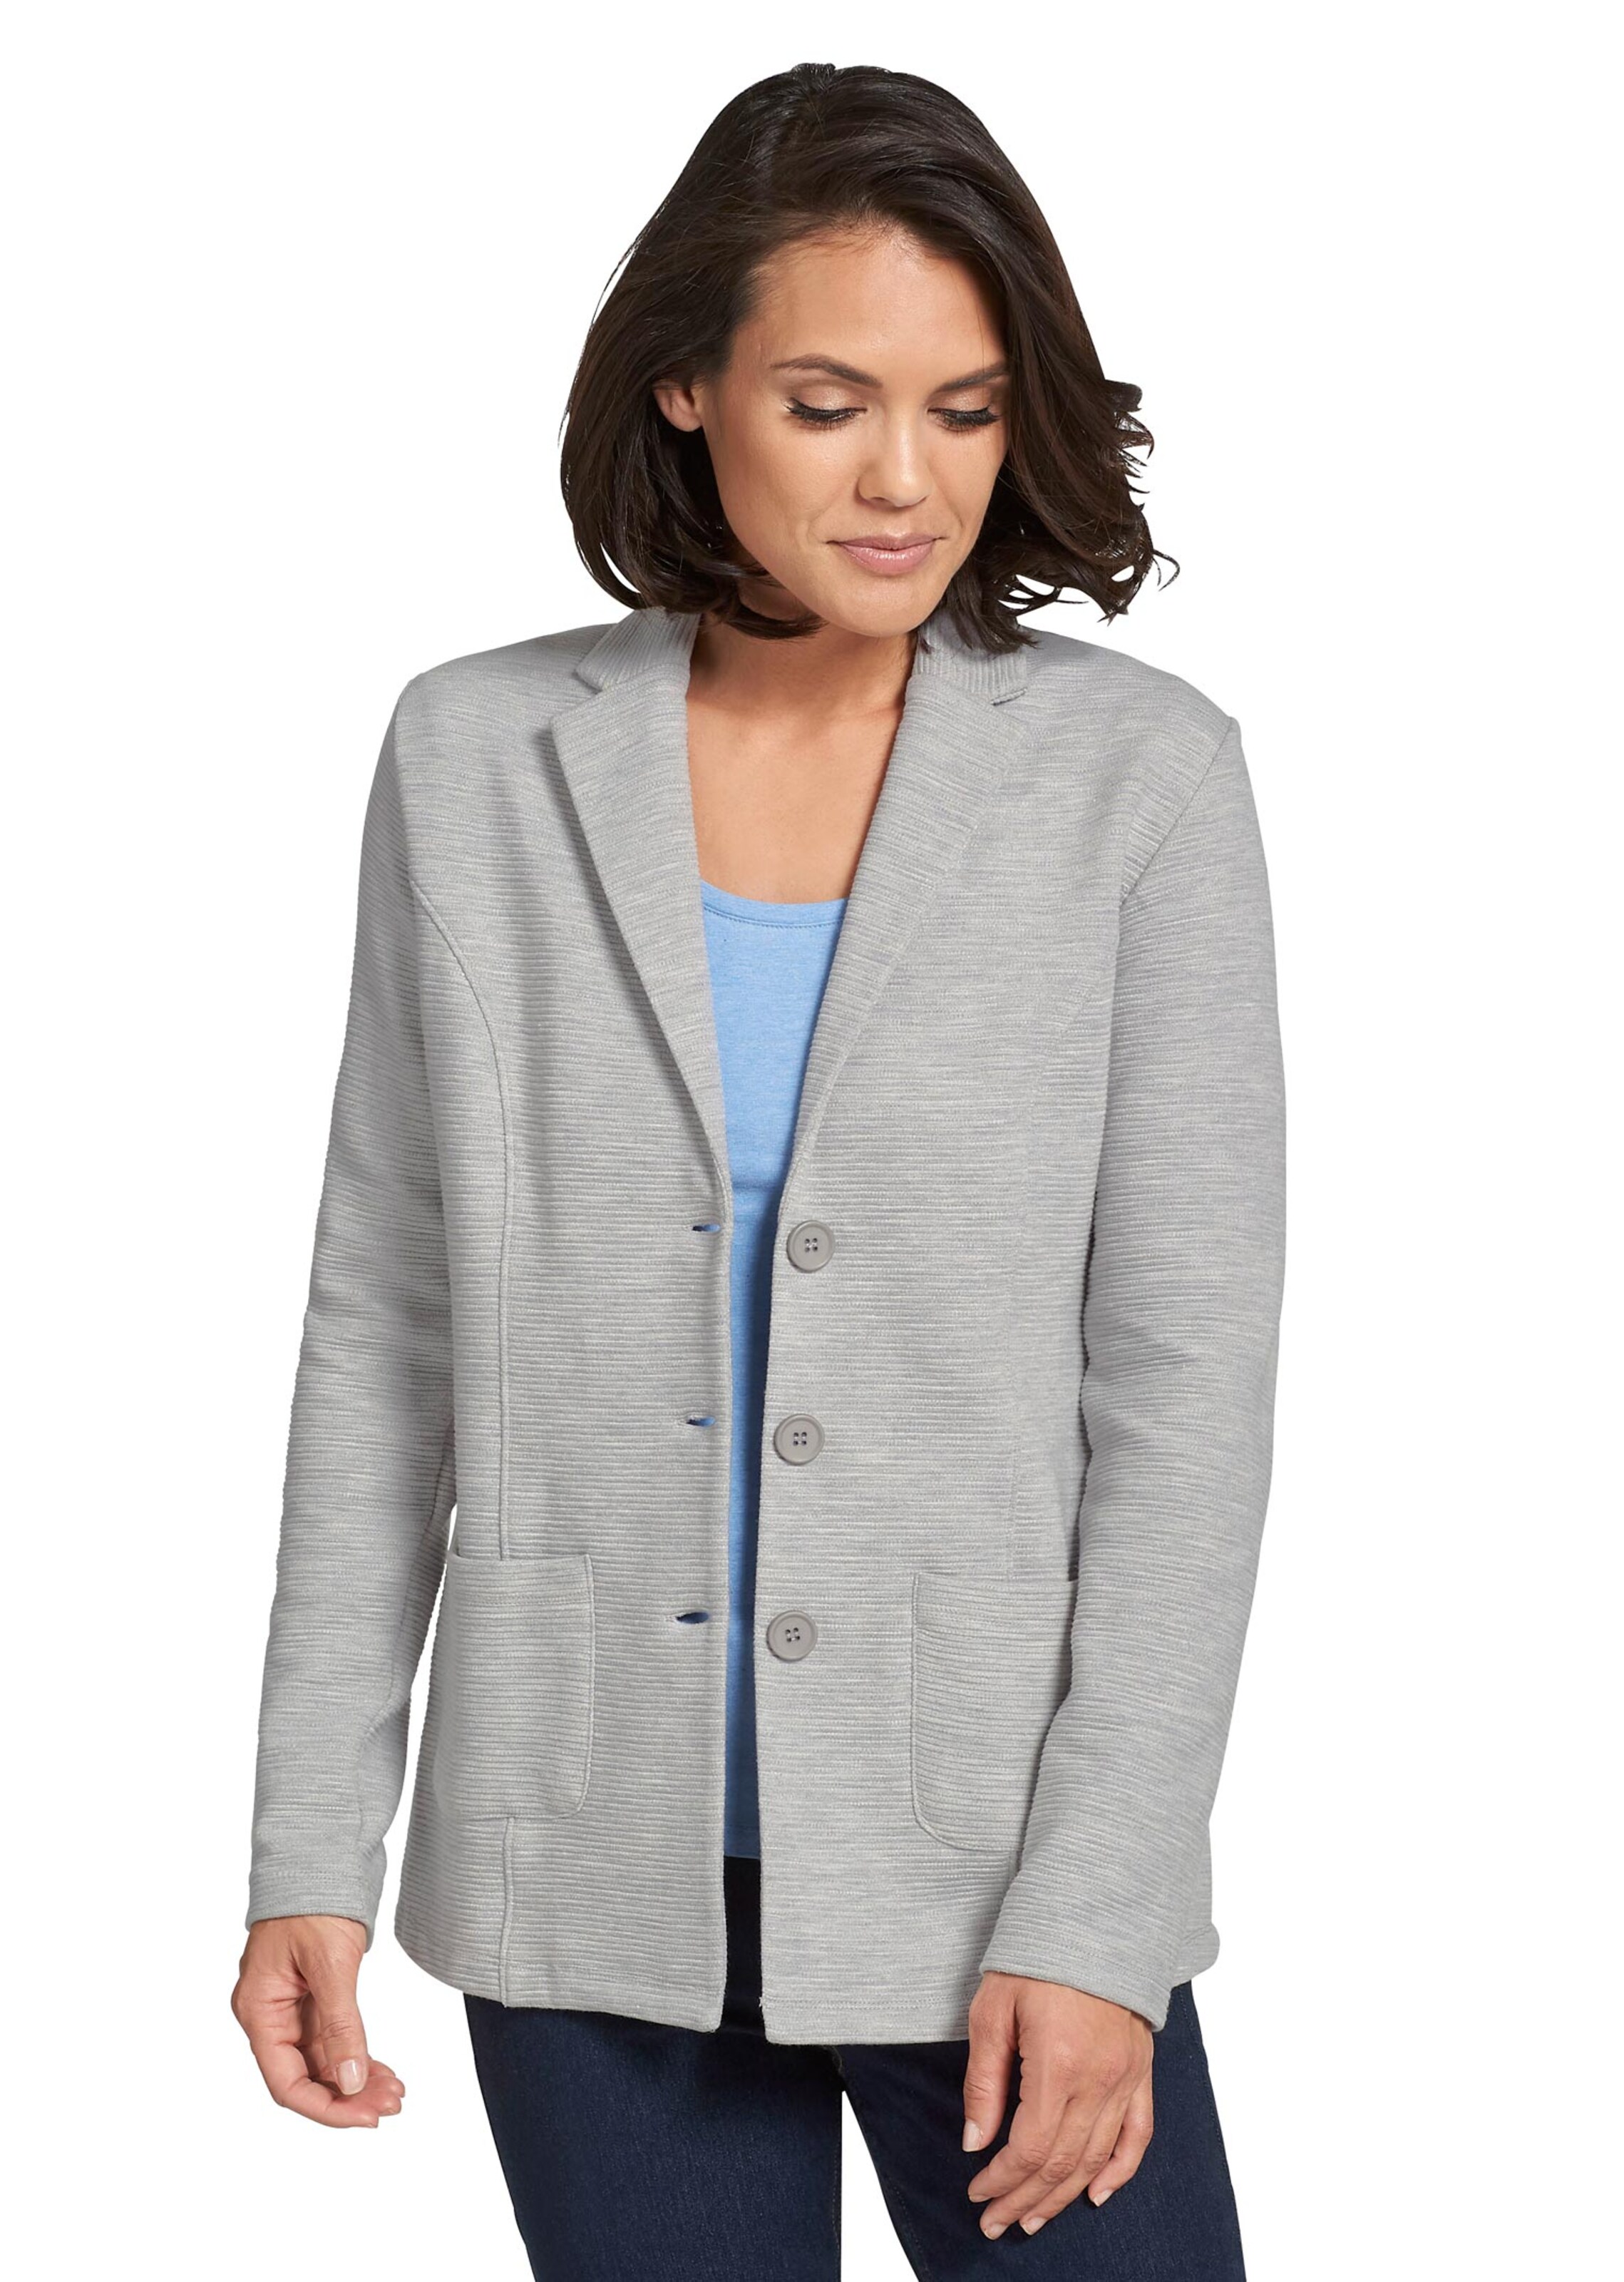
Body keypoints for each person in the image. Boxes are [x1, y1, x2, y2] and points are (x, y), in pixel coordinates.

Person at [231, 59, 1285, 2281]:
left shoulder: (1144, 783)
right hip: (577, 1867)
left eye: (969, 410)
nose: (910, 479)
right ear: (690, 386)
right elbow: (384, 1324)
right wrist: (311, 1842)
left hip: (992, 1878)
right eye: (830, 403)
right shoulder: (476, 755)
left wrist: (1101, 1913)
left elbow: (1186, 1399)